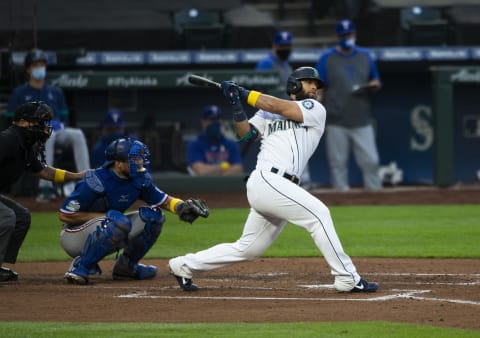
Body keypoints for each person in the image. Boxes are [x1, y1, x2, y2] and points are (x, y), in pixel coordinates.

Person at [168, 67, 379, 293]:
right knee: (319, 214)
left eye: (316, 85)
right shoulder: (266, 113)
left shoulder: (315, 109)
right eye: (309, 83)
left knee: (248, 249)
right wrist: (236, 104)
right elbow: (245, 134)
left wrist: (244, 93)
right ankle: (347, 277)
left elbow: (278, 106)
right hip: (267, 179)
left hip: (280, 186)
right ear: (294, 85)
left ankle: (183, 265)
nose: (315, 87)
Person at [59, 138, 209, 285]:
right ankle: (81, 266)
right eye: (134, 159)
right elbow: (66, 215)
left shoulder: (139, 179)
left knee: (154, 217)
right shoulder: (95, 180)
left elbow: (165, 201)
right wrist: (107, 217)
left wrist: (181, 206)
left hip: (111, 224)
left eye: (140, 159)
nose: (140, 163)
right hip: (74, 236)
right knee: (117, 220)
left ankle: (126, 267)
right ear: (118, 163)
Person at [0, 102, 84, 282]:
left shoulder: (27, 144)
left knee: (21, 216)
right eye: (39, 122)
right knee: (7, 216)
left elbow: (45, 172)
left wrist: (78, 176)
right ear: (22, 122)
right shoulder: (7, 140)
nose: (44, 127)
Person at [7, 49, 91, 201]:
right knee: (48, 134)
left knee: (77, 134)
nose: (40, 68)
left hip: (57, 132)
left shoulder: (55, 91)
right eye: (36, 65)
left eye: (42, 64)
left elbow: (64, 118)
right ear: (28, 69)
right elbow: (11, 120)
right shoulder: (19, 93)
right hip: (31, 136)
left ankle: (86, 182)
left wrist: (60, 124)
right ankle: (45, 188)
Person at [316, 19, 382, 191]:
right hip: (336, 119)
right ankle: (342, 201)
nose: (347, 38)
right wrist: (316, 114)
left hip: (361, 118)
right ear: (337, 37)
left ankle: (377, 198)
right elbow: (319, 88)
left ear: (355, 34)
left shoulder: (365, 55)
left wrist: (373, 85)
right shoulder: (326, 58)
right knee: (338, 164)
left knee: (371, 161)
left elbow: (375, 78)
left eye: (350, 34)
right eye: (344, 35)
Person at [256, 31, 314, 189]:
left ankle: (300, 182)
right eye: (282, 46)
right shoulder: (266, 63)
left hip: (286, 113)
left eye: (288, 46)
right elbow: (260, 92)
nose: (285, 49)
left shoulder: (286, 65)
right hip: (272, 115)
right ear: (274, 45)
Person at [186, 105, 244, 176]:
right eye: (212, 120)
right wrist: (224, 167)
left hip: (225, 185)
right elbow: (201, 171)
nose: (215, 122)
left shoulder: (231, 144)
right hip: (203, 185)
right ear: (203, 122)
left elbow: (238, 169)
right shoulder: (194, 144)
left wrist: (213, 171)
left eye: (217, 119)